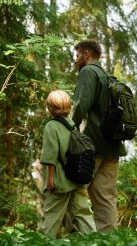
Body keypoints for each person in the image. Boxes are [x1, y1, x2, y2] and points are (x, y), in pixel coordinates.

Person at [72, 39, 127, 233]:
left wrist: (66, 128)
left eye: (77, 55)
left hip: (91, 146)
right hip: (112, 146)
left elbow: (80, 105)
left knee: (73, 188)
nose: (75, 59)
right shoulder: (106, 75)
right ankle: (109, 238)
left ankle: (77, 235)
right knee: (105, 196)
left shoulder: (88, 72)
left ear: (87, 54)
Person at [40, 89, 96, 237]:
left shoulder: (51, 127)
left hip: (59, 180)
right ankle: (94, 240)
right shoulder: (73, 125)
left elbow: (50, 155)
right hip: (76, 177)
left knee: (52, 214)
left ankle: (45, 241)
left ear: (50, 108)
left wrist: (50, 179)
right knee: (82, 211)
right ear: (68, 107)